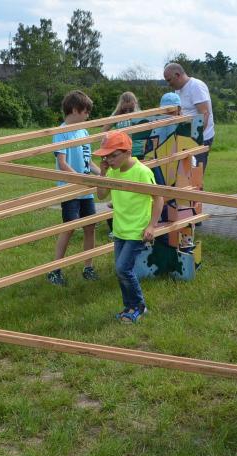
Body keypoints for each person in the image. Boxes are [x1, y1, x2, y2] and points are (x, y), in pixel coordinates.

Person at [93, 131, 163, 323]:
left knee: (123, 269)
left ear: (127, 152)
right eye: (106, 156)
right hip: (120, 230)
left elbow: (159, 198)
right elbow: (101, 195)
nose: (109, 159)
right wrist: (103, 172)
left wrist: (152, 226)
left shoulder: (142, 172)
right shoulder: (113, 171)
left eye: (113, 155)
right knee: (121, 270)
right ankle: (129, 307)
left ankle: (139, 307)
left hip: (137, 231)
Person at [47, 90, 102, 286]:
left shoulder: (84, 131)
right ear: (75, 110)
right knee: (69, 228)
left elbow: (89, 161)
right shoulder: (61, 132)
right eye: (86, 112)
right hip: (69, 189)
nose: (88, 116)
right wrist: (79, 179)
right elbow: (62, 163)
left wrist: (101, 175)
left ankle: (88, 267)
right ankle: (55, 270)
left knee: (90, 227)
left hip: (85, 190)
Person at [163, 63, 215, 172]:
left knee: (195, 174)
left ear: (177, 75)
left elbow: (205, 114)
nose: (168, 84)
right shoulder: (178, 89)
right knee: (183, 174)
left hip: (200, 138)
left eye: (169, 80)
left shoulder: (196, 86)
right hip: (186, 137)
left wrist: (194, 139)